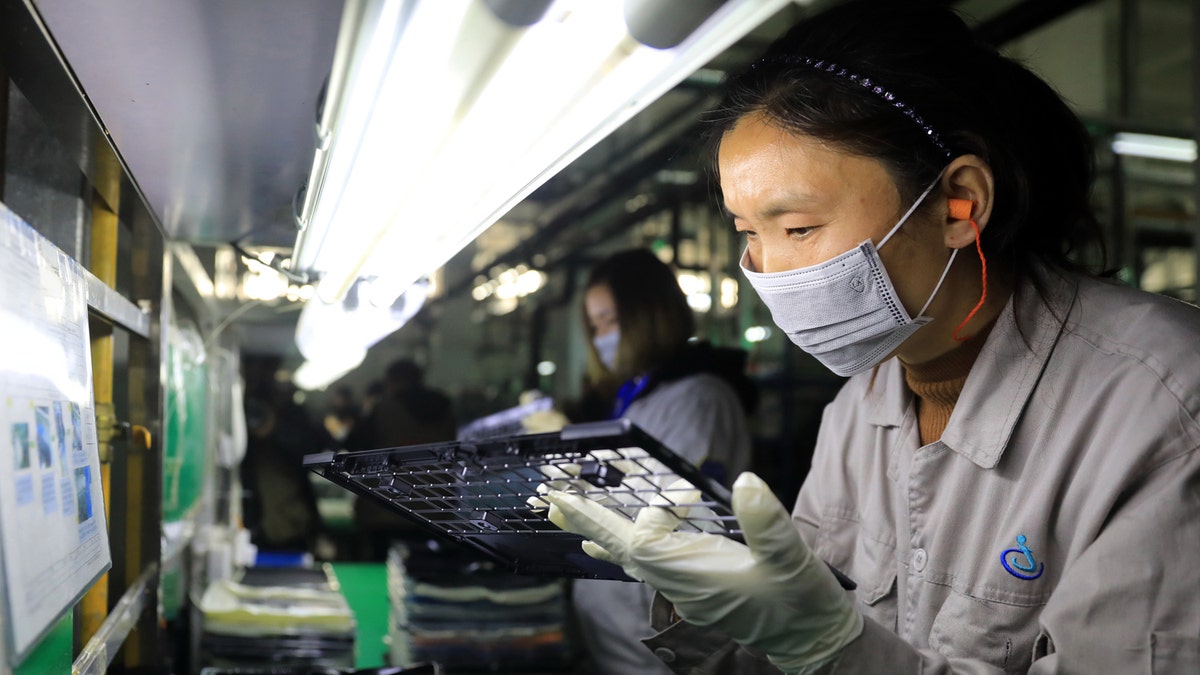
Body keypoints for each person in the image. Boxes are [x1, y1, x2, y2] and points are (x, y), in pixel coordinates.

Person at [543, 2, 1200, 673]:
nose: (768, 270)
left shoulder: (1166, 403)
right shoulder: (862, 407)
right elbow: (786, 644)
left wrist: (832, 648)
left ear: (959, 203)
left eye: (797, 227)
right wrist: (704, 601)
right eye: (748, 234)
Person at [566, 248, 759, 675]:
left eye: (610, 321)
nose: (601, 337)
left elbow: (682, 517)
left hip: (658, 643)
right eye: (594, 325)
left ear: (648, 315)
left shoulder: (699, 397)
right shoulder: (637, 397)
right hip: (616, 636)